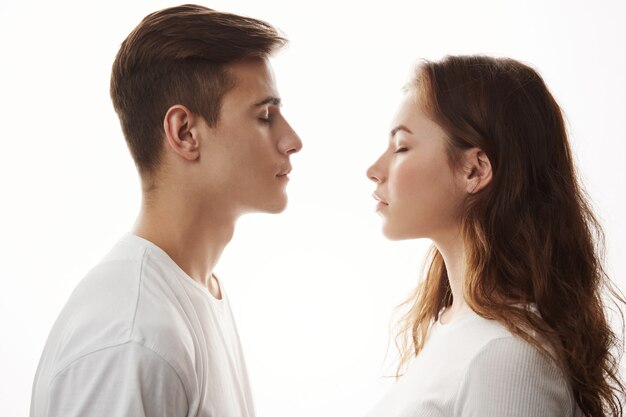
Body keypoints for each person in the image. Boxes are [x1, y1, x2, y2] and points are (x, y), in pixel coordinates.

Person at [30, 4, 301, 417]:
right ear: (185, 132)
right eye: (265, 116)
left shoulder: (192, 294)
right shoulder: (133, 335)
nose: (292, 140)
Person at [365, 55, 625, 417]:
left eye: (401, 147)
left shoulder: (505, 356)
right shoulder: (454, 327)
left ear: (474, 169)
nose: (374, 170)